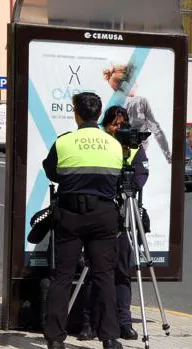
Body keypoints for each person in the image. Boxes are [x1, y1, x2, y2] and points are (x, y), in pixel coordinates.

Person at [42, 93, 123, 349]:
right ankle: (110, 338)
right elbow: (118, 178)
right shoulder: (114, 144)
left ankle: (55, 340)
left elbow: (51, 171)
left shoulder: (64, 142)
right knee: (104, 276)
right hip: (103, 215)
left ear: (76, 113)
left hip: (70, 214)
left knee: (62, 277)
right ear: (98, 114)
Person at [77, 106, 149, 342]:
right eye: (114, 124)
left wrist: (126, 186)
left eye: (122, 124)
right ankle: (89, 323)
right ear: (105, 125)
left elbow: (139, 176)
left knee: (122, 270)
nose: (118, 129)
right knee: (94, 269)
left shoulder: (135, 148)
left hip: (124, 213)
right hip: (100, 211)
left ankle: (124, 322)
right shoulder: (100, 145)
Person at [103, 64, 172, 162]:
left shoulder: (111, 105)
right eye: (134, 82)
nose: (137, 85)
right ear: (126, 84)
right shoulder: (140, 102)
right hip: (138, 155)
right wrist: (168, 156)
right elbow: (156, 130)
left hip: (117, 155)